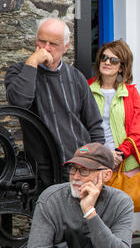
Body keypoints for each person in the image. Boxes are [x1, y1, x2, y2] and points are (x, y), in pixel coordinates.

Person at [16, 142, 140, 248]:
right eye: (73, 169)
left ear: (106, 174)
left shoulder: (121, 202)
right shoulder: (51, 198)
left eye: (84, 171)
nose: (75, 176)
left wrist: (90, 212)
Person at [5, 18, 105, 181]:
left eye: (53, 44)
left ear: (66, 47)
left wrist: (94, 160)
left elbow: (94, 124)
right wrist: (32, 62)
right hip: (43, 169)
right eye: (41, 41)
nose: (45, 48)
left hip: (79, 164)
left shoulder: (76, 77)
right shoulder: (19, 72)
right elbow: (19, 103)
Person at [88, 39, 140, 174]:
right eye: (104, 58)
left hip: (126, 163)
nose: (107, 62)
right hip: (95, 161)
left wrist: (119, 154)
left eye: (114, 60)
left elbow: (138, 133)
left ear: (121, 67)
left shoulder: (131, 93)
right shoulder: (86, 89)